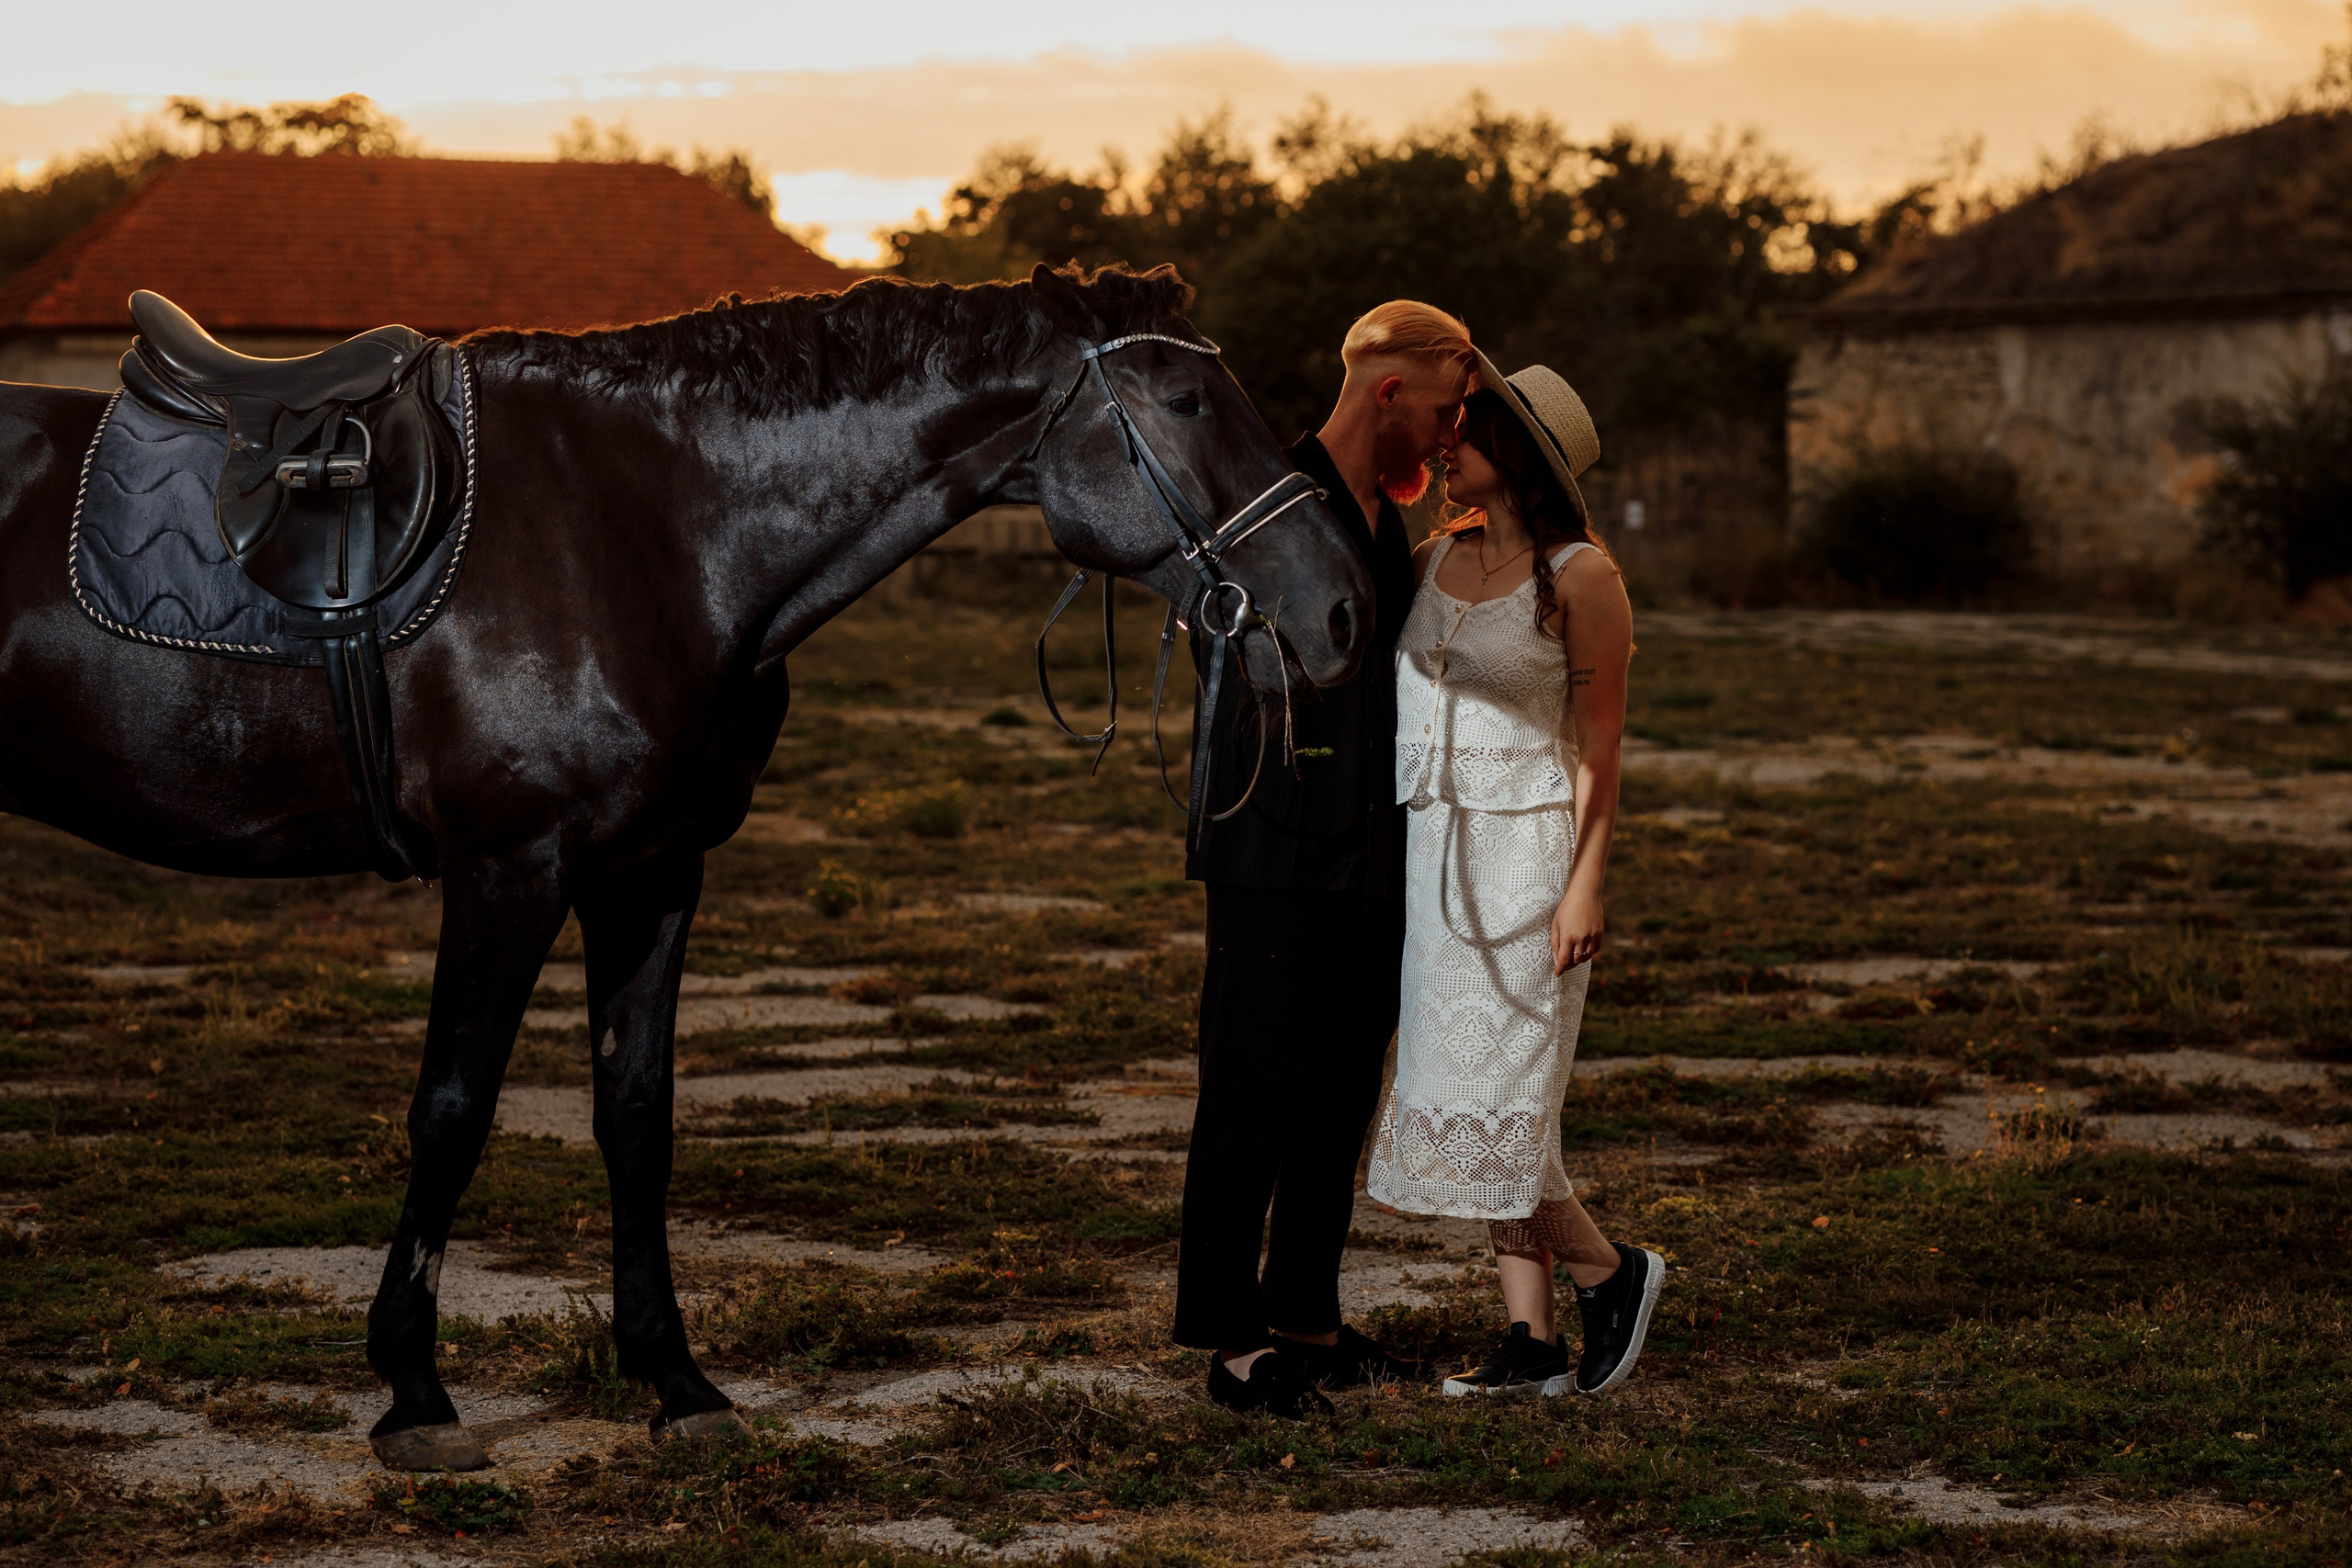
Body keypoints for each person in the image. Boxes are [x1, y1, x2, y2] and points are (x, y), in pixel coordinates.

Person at [1174, 301, 1475, 1417]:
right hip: (1270, 840)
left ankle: (1304, 1313)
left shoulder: (1382, 519)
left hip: (1370, 848)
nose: (1448, 440)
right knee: (1249, 1085)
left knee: (1341, 1086)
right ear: (1387, 393)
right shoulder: (1267, 498)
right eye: (1441, 413)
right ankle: (1229, 1338)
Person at [1365, 354, 1663, 1398]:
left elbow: (1601, 747)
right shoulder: (1430, 557)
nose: (1446, 446)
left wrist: (1585, 883)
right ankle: (1532, 1339)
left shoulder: (1581, 576)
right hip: (1433, 855)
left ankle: (1609, 1272)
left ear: (1519, 456)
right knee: (1466, 1098)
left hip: (1529, 858)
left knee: (1503, 1102)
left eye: (1467, 433)